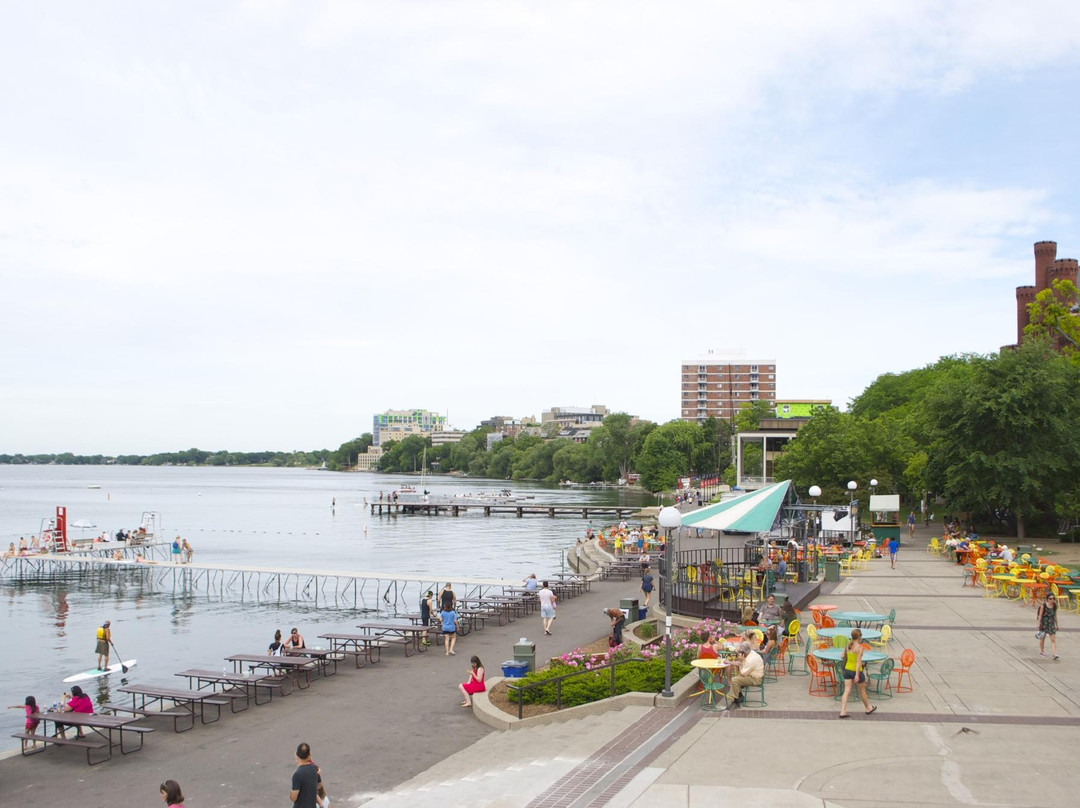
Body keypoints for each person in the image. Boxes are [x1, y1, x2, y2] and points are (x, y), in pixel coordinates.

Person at [838, 628, 877, 718]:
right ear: (859, 637)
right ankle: (868, 708)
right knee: (862, 690)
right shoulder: (860, 647)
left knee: (846, 691)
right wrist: (857, 675)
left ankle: (843, 711)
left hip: (847, 670)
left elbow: (842, 656)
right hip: (856, 671)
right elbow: (858, 662)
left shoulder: (848, 645)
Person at [727, 641, 764, 709]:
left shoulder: (750, 660)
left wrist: (741, 662)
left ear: (743, 653)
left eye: (739, 652)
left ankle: (736, 702)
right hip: (753, 675)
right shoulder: (751, 653)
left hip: (755, 679)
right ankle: (740, 696)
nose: (738, 654)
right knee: (737, 678)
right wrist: (731, 662)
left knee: (735, 680)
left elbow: (742, 673)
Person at [290, 742, 321, 808]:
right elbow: (319, 786)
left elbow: (293, 798)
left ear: (297, 754)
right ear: (309, 754)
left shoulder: (297, 775)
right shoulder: (314, 768)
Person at [1038, 593, 1059, 659]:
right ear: (1047, 599)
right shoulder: (1043, 606)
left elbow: (1055, 616)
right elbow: (1040, 615)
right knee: (1042, 638)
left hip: (1051, 624)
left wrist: (1057, 625)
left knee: (1053, 640)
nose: (1052, 600)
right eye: (1050, 599)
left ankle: (1054, 654)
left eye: (1053, 598)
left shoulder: (1054, 606)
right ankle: (1042, 651)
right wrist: (1039, 624)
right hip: (1044, 623)